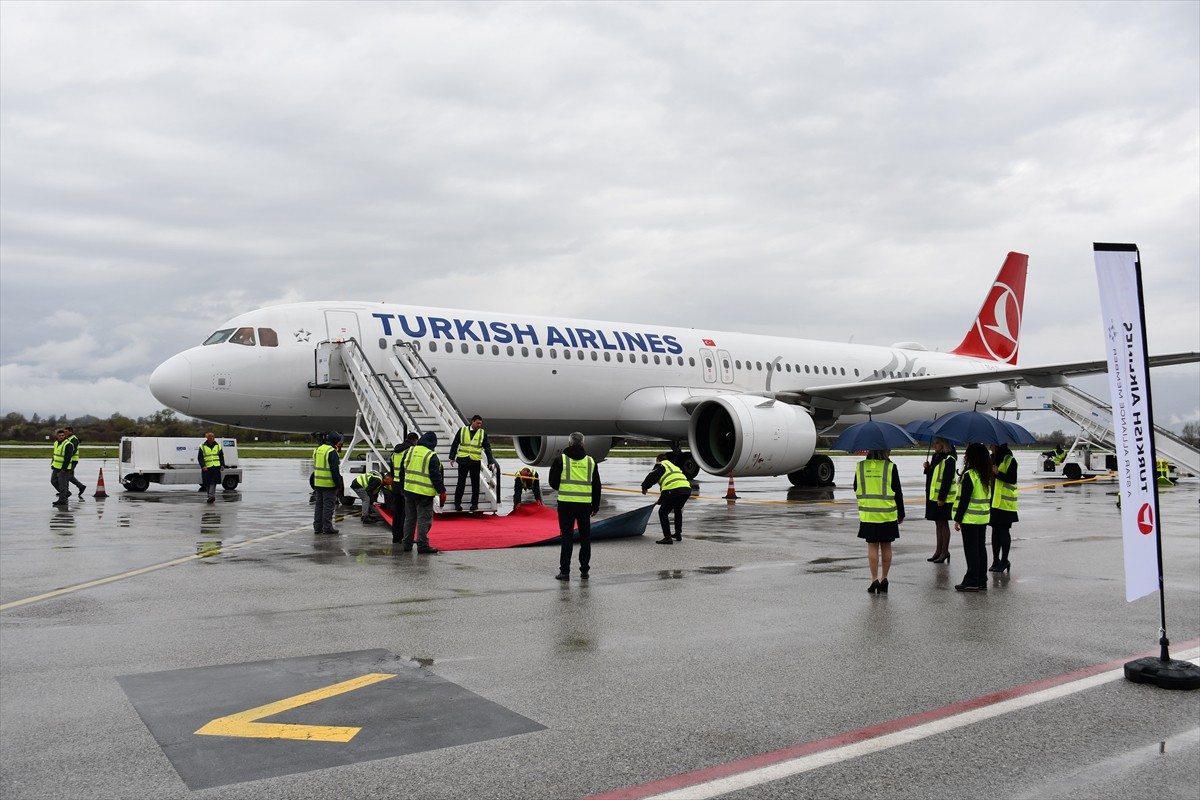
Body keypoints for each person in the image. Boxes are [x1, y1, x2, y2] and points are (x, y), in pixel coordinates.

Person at [549, 432, 601, 581]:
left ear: (569, 443)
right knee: (585, 538)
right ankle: (584, 571)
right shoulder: (591, 462)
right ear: (583, 444)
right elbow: (597, 486)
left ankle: (564, 572)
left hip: (566, 504)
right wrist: (595, 506)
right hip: (584, 505)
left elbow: (553, 482)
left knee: (567, 537)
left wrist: (566, 487)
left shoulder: (561, 460)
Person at [853, 449, 904, 593]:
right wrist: (901, 513)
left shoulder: (861, 467)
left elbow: (856, 487)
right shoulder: (890, 467)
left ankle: (874, 579)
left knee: (872, 546)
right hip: (887, 514)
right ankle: (885, 578)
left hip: (869, 513)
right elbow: (898, 492)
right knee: (886, 546)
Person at [954, 443, 994, 592]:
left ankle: (971, 579)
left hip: (970, 518)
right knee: (980, 549)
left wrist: (958, 518)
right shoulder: (984, 474)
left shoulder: (970, 475)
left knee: (971, 550)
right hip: (982, 517)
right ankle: (981, 579)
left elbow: (964, 500)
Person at [401, 431, 446, 554]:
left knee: (409, 519)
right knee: (424, 520)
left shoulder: (410, 451)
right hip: (424, 493)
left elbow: (402, 470)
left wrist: (402, 488)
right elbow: (436, 476)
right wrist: (442, 491)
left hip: (409, 490)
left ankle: (407, 544)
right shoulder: (431, 455)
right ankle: (422, 545)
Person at [448, 415, 496, 511]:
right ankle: (457, 503)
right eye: (477, 423)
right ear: (472, 422)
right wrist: (452, 457)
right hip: (463, 460)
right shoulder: (462, 430)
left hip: (475, 461)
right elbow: (455, 443)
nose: (479, 425)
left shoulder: (482, 433)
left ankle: (474, 504)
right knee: (461, 483)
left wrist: (490, 461)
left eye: (480, 423)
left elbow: (487, 448)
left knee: (475, 484)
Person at [641, 454, 692, 544]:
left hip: (673, 490)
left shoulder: (661, 465)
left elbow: (652, 476)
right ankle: (678, 534)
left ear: (658, 460)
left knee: (662, 512)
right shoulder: (674, 466)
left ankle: (667, 537)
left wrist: (644, 487)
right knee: (677, 509)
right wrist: (661, 500)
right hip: (686, 489)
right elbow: (670, 484)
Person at [923, 437, 957, 563]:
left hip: (943, 498)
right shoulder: (936, 457)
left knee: (943, 524)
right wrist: (927, 469)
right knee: (938, 523)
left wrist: (942, 497)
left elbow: (947, 480)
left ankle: (945, 551)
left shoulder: (949, 458)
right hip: (934, 497)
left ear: (944, 444)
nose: (934, 445)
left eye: (937, 443)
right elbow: (933, 475)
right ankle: (938, 550)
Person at [989, 442, 1020, 572]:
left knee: (1003, 531)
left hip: (1006, 504)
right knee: (995, 531)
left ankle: (1004, 560)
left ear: (998, 446)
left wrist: (997, 473)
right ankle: (995, 559)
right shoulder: (992, 459)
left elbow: (1012, 479)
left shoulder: (1009, 459)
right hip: (994, 502)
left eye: (992, 445)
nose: (990, 448)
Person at [312, 432, 345, 535]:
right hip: (328, 484)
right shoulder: (331, 451)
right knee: (328, 506)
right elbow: (334, 469)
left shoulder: (318, 449)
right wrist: (338, 484)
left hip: (318, 482)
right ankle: (327, 527)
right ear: (335, 441)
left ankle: (317, 527)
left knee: (319, 506)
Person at [390, 432, 420, 543]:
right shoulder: (410, 452)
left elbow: (392, 471)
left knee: (397, 513)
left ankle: (396, 537)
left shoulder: (394, 453)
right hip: (406, 485)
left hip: (395, 485)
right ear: (415, 441)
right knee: (407, 514)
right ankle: (405, 537)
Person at [198, 432, 225, 504]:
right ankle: (210, 496)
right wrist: (203, 466)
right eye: (211, 437)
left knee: (213, 482)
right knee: (207, 483)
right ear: (207, 438)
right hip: (207, 467)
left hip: (215, 467)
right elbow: (200, 458)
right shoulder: (202, 446)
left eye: (213, 437)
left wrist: (222, 465)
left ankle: (211, 496)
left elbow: (221, 456)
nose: (212, 438)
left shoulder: (218, 446)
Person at [50, 429, 74, 507]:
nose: (61, 437)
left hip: (63, 469)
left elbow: (68, 457)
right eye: (59, 436)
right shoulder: (56, 443)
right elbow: (55, 454)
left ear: (65, 436)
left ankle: (62, 500)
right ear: (57, 436)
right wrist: (52, 463)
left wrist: (64, 468)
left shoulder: (68, 444)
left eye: (62, 435)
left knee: (62, 484)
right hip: (56, 466)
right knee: (53, 481)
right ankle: (66, 493)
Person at [63, 426, 87, 499]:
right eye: (64, 432)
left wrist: (68, 457)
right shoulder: (68, 439)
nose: (65, 433)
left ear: (71, 432)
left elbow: (73, 450)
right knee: (67, 476)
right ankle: (65, 491)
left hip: (72, 460)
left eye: (66, 432)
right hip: (70, 460)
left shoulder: (73, 439)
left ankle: (80, 486)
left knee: (67, 475)